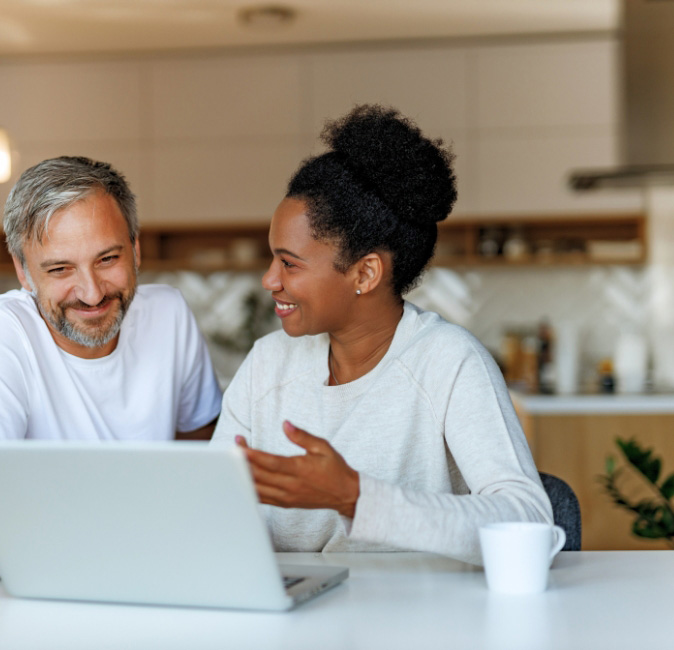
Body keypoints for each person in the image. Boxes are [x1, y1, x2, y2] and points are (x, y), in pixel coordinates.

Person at [211, 105, 551, 565]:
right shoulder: (267, 363)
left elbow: (527, 519)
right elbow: (215, 509)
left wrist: (356, 498)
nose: (270, 279)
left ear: (366, 272)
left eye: (289, 263)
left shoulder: (448, 362)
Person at [0, 156, 222, 559]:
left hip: (154, 572)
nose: (91, 293)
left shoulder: (169, 314)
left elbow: (205, 472)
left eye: (108, 259)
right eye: (59, 269)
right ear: (23, 271)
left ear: (135, 250)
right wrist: (146, 519)